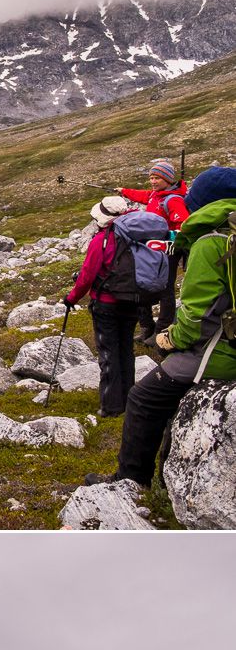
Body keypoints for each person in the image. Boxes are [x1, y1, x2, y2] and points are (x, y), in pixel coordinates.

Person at [85, 167, 236, 489]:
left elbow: (197, 316)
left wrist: (170, 339)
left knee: (143, 397)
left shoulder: (211, 243)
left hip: (222, 351)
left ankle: (131, 480)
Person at [64, 195, 139, 417]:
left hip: (106, 304)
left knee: (109, 354)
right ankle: (130, 400)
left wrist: (71, 298)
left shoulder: (101, 240)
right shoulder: (137, 236)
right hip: (132, 301)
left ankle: (111, 406)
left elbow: (87, 276)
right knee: (126, 350)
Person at [117, 158, 190, 337]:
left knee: (165, 288)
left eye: (157, 178)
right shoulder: (153, 195)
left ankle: (162, 329)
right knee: (142, 283)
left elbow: (185, 225)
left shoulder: (173, 200)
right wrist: (123, 191)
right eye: (151, 178)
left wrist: (167, 238)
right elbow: (140, 195)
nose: (153, 182)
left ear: (168, 180)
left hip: (168, 251)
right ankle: (146, 327)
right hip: (151, 250)